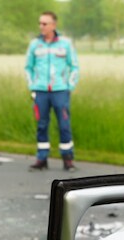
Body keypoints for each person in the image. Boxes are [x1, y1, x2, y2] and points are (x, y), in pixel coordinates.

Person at [25, 11, 78, 172]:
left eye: (45, 23)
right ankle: (42, 158)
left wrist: (70, 86)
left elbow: (74, 66)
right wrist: (32, 86)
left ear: (53, 25)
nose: (41, 26)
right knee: (42, 125)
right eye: (40, 23)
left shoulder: (65, 44)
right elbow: (28, 67)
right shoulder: (35, 44)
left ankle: (67, 159)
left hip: (60, 91)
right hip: (40, 91)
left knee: (64, 125)